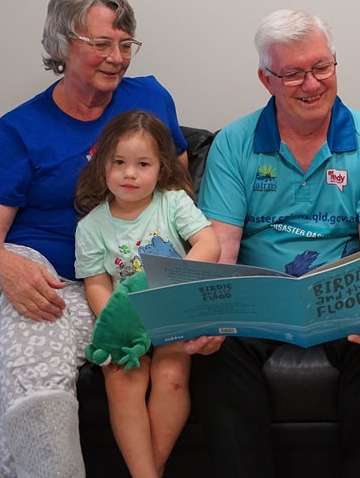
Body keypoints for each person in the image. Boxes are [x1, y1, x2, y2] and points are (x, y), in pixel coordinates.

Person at [0, 0, 214, 477]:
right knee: (39, 328)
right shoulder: (21, 128)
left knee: (84, 344)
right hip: (40, 269)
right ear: (59, 45)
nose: (117, 58)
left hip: (124, 275)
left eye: (125, 44)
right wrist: (10, 268)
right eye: (101, 44)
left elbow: (180, 193)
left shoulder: (150, 98)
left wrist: (180, 285)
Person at [190, 9, 360, 477]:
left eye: (321, 67)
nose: (312, 84)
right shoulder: (234, 143)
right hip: (259, 298)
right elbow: (222, 250)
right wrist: (210, 317)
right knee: (216, 352)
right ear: (266, 79)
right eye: (292, 73)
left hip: (343, 296)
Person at [74, 110, 221, 477]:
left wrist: (177, 279)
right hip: (127, 322)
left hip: (171, 311)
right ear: (101, 164)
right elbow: (96, 282)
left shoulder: (172, 203)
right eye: (119, 162)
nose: (129, 173)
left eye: (142, 164)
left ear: (160, 168)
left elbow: (209, 244)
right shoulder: (91, 226)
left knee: (171, 375)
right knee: (123, 381)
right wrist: (114, 323)